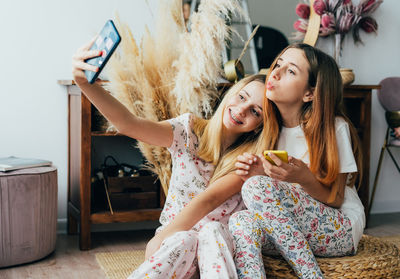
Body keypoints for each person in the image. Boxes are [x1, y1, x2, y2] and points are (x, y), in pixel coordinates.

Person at [72, 38, 267, 278]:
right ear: (231, 93)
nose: (242, 109)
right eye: (242, 97)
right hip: (175, 247)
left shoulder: (248, 160)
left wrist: (163, 237)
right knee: (184, 238)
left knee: (212, 230)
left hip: (216, 255)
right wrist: (85, 84)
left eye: (255, 111)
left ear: (259, 126)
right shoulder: (188, 130)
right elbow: (128, 124)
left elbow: (208, 201)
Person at [229, 43, 364, 279]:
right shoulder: (270, 130)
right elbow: (276, 202)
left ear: (309, 93)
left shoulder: (333, 128)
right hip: (296, 229)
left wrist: (304, 178)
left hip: (340, 228)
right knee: (240, 221)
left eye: (290, 71)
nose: (276, 73)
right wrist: (257, 171)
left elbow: (336, 198)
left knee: (255, 188)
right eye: (278, 64)